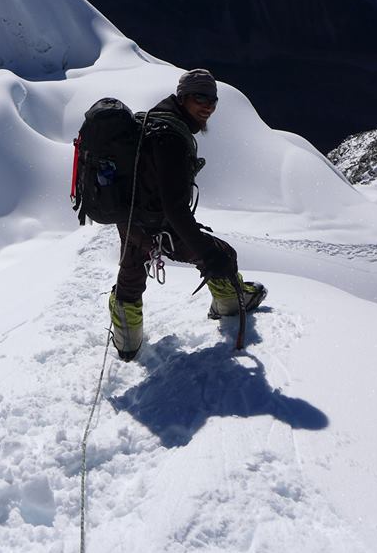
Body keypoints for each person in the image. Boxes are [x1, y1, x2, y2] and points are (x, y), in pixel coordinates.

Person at [109, 69, 267, 361]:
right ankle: (231, 305)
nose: (208, 105)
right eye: (200, 97)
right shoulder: (171, 136)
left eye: (213, 100)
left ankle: (127, 343)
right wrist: (207, 253)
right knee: (223, 255)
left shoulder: (152, 120)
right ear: (182, 98)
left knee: (130, 279)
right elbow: (174, 207)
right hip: (159, 224)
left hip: (131, 218)